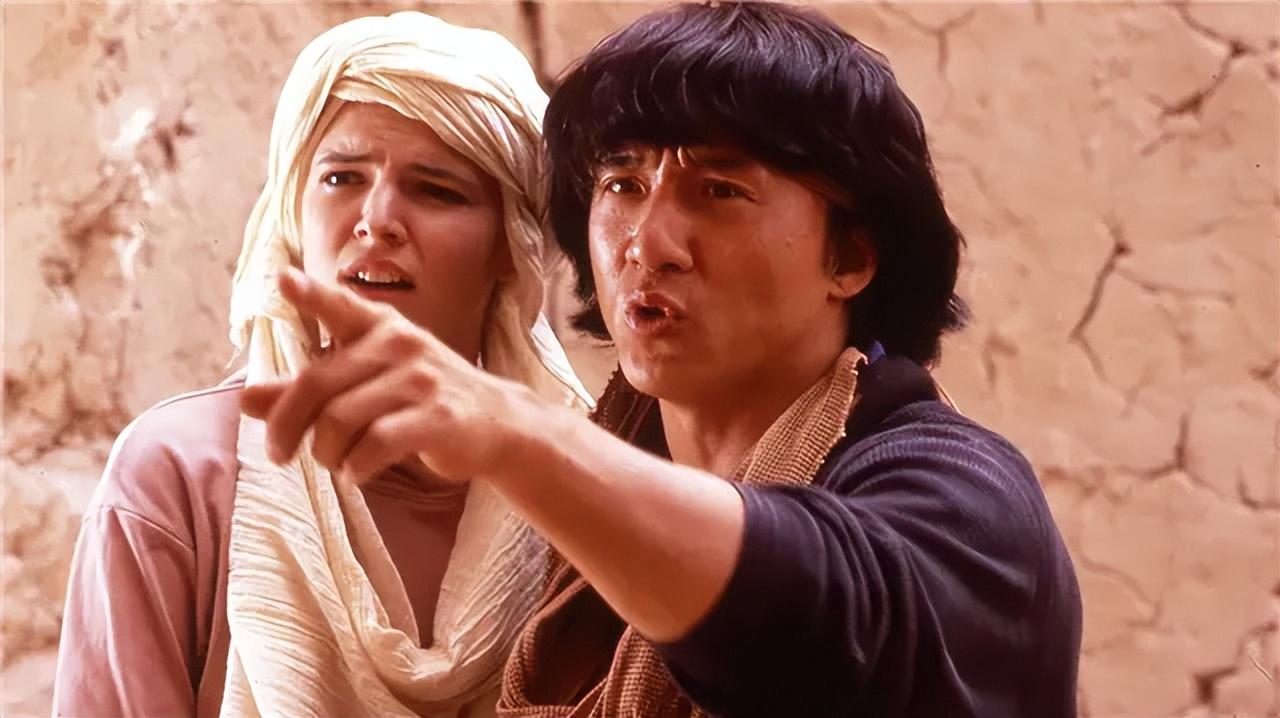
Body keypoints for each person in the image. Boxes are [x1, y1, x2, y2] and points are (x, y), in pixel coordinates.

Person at [246, 3, 1083, 717]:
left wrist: (521, 436)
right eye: (622, 184)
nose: (649, 244)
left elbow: (823, 623)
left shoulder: (966, 493)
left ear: (852, 257)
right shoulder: (587, 543)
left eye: (720, 191)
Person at [52, 12, 591, 717]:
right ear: (292, 217)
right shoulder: (180, 476)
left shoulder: (583, 492)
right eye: (341, 178)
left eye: (436, 190)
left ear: (510, 248)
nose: (377, 219)